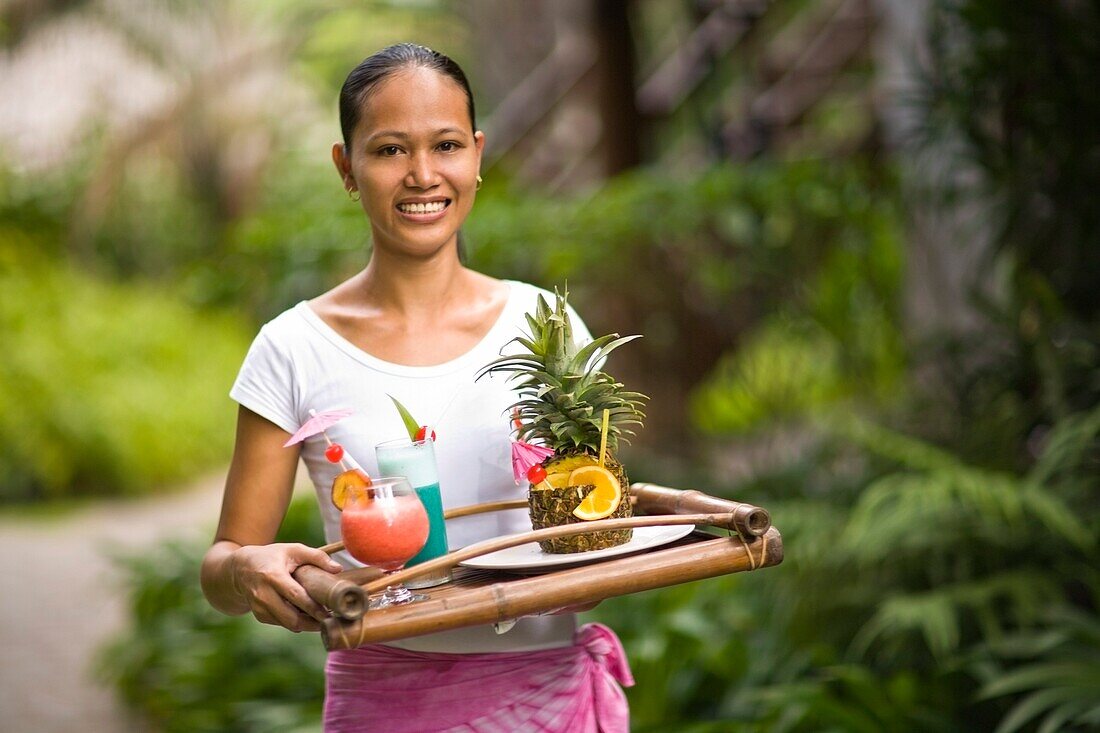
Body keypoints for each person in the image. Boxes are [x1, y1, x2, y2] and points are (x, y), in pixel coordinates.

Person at [199, 42, 633, 732]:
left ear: (479, 155)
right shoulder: (293, 348)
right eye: (390, 150)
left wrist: (604, 548)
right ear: (347, 168)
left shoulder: (545, 325)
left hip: (551, 697)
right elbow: (223, 563)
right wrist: (248, 567)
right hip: (386, 701)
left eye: (447, 145)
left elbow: (601, 516)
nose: (424, 175)